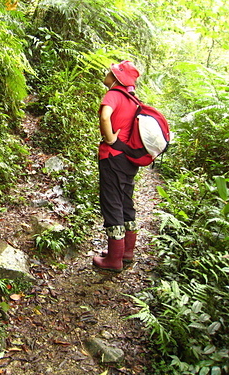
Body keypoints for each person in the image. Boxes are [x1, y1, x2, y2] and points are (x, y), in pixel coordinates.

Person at [93, 60, 141, 272]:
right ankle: (126, 253)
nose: (107, 73)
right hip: (129, 160)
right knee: (125, 201)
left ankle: (114, 259)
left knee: (112, 202)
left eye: (110, 72)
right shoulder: (133, 99)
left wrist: (110, 138)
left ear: (116, 78)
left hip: (112, 156)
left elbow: (105, 116)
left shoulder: (114, 93)